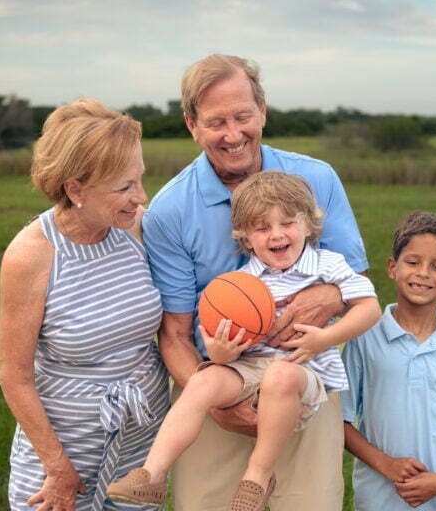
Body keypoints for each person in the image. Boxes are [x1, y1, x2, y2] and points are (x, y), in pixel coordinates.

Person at [141, 54, 369, 510]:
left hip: (305, 382)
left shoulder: (317, 178)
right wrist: (219, 404)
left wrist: (327, 294)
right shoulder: (169, 211)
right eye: (215, 122)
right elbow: (174, 333)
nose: (232, 134)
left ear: (262, 110)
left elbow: (356, 281)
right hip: (216, 384)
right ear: (191, 125)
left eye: (243, 116)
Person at [108, 172, 380, 509]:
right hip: (249, 368)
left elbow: (369, 309)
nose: (277, 234)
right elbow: (221, 351)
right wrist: (220, 353)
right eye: (262, 228)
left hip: (302, 372)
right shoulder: (239, 284)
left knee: (280, 376)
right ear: (246, 239)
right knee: (203, 380)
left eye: (287, 223)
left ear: (309, 225)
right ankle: (151, 475)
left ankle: (256, 477)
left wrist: (325, 338)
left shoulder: (328, 265)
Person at [0, 98, 169, 511]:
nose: (140, 197)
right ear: (75, 189)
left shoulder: (137, 229)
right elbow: (14, 375)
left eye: (140, 180)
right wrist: (57, 468)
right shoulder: (32, 255)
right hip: (62, 450)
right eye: (124, 187)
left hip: (139, 448)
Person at [342, 210, 436, 511]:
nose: (423, 273)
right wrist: (385, 464)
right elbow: (340, 421)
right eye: (412, 262)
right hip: (379, 498)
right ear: (391, 268)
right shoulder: (363, 337)